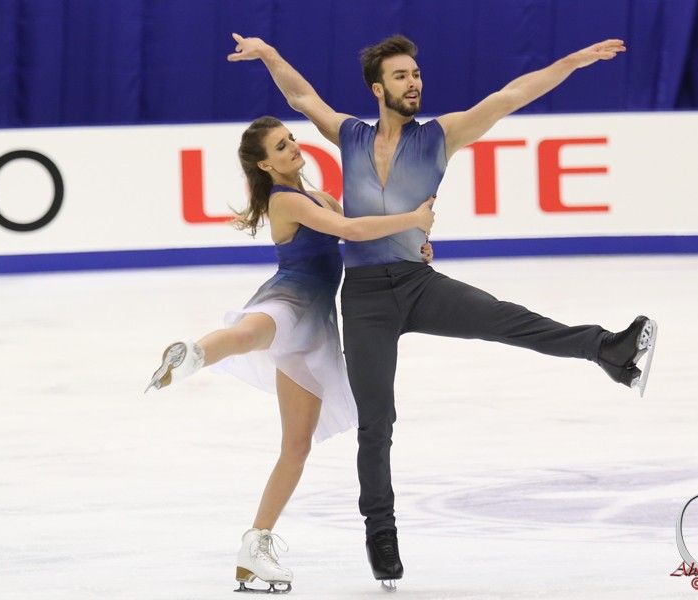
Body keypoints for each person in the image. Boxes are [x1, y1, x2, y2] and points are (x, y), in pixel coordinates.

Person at [227, 34, 656, 588]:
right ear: (378, 88)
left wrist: (571, 62)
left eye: (417, 74)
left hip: (416, 282)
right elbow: (302, 96)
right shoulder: (350, 136)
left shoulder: (440, 137)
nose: (415, 83)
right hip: (363, 299)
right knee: (376, 421)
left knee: (508, 320)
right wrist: (269, 56)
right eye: (402, 76)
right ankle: (381, 534)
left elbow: (508, 97)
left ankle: (609, 349)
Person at [145, 115, 436, 593]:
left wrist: (411, 245)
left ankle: (254, 546)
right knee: (254, 330)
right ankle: (194, 354)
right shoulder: (285, 201)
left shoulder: (316, 196)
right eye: (280, 147)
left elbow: (362, 236)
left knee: (295, 448)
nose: (292, 147)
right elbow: (348, 228)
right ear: (265, 164)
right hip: (292, 297)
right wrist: (413, 218)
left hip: (318, 326)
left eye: (290, 139)